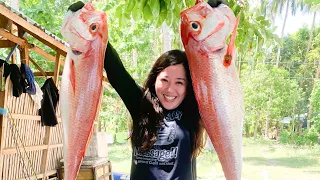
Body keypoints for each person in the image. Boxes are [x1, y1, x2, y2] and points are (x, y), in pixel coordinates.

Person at [104, 43, 205, 180]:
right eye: (164, 80)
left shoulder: (193, 109)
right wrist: (97, 28)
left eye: (179, 82)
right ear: (154, 80)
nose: (170, 89)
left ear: (188, 86)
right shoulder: (140, 104)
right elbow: (115, 70)